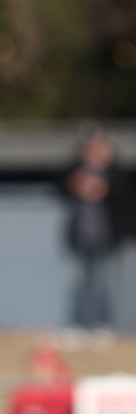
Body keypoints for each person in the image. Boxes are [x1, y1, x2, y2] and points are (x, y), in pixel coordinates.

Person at [60, 122, 130, 332]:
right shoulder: (75, 171)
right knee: (79, 286)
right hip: (80, 239)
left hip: (107, 240)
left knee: (104, 285)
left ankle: (103, 325)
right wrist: (75, 183)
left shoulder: (116, 173)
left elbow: (125, 194)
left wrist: (104, 187)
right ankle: (78, 325)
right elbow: (58, 185)